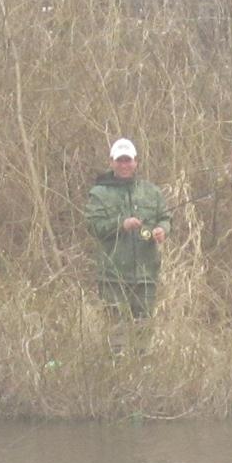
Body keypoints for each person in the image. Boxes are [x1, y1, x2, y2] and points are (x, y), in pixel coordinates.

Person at [85, 138, 170, 353]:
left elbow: (165, 218)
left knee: (144, 329)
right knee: (116, 332)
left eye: (128, 160)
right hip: (113, 275)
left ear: (136, 162)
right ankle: (116, 366)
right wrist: (121, 225)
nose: (124, 165)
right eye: (120, 160)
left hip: (146, 274)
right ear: (111, 162)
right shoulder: (99, 193)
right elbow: (94, 227)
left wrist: (162, 230)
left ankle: (143, 365)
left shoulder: (152, 192)